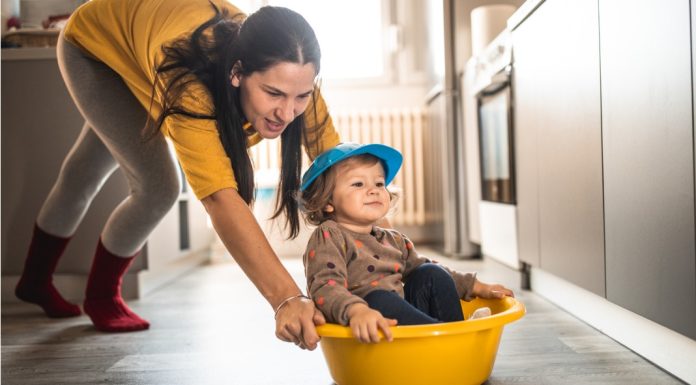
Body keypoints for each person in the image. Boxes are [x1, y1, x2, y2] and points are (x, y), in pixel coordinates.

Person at [14, 0, 338, 350]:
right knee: (157, 187)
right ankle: (100, 295)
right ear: (237, 73)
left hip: (145, 45)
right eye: (273, 94)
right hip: (95, 49)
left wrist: (375, 247)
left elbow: (339, 166)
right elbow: (219, 198)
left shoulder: (291, 69)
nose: (288, 111)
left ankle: (33, 280)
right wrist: (287, 298)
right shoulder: (188, 84)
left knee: (83, 171)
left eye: (301, 96)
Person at [298, 143, 514, 343]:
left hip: (402, 323)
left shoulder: (394, 239)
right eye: (358, 184)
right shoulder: (330, 235)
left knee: (431, 272)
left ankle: (453, 330)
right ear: (327, 201)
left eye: (379, 183)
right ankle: (449, 341)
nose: (373, 190)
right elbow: (326, 286)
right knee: (379, 300)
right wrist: (356, 311)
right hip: (365, 325)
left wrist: (477, 287)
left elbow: (424, 269)